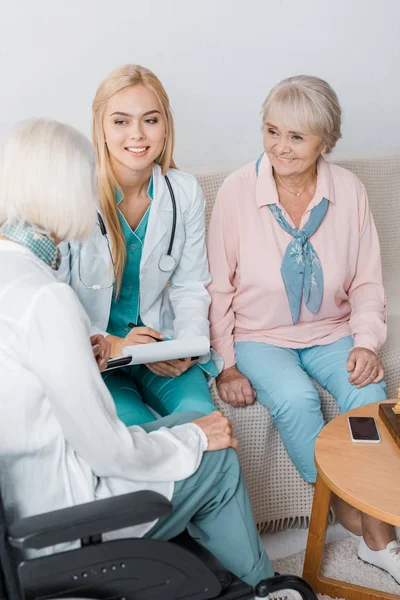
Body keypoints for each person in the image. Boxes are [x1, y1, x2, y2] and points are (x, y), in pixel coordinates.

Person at [0, 118, 300, 600]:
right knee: (215, 453)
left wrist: (83, 353)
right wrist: (193, 437)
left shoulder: (13, 274)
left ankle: (228, 580)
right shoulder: (46, 299)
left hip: (27, 503)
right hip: (64, 520)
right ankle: (264, 588)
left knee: (193, 431)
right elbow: (109, 451)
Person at [207, 75, 400, 582]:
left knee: (369, 395)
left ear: (325, 141)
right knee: (295, 400)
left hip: (331, 328)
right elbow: (217, 288)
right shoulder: (236, 191)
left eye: (296, 136)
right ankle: (343, 508)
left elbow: (365, 281)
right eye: (272, 131)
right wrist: (225, 364)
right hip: (258, 335)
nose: (280, 147)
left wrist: (364, 342)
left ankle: (376, 538)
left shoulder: (348, 191)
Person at [58, 64, 221, 427]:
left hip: (160, 347)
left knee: (206, 426)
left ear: (166, 127)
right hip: (98, 356)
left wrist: (186, 347)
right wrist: (112, 344)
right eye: (120, 121)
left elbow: (191, 286)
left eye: (150, 120)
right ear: (100, 127)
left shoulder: (185, 192)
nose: (137, 134)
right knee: (135, 438)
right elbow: (55, 298)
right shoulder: (72, 195)